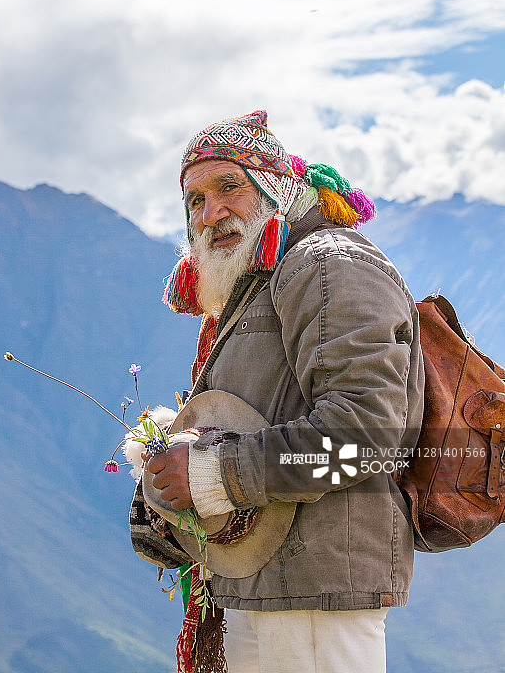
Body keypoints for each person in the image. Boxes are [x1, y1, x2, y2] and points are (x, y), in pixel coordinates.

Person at [136, 110, 424, 673]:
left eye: (229, 186)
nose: (211, 213)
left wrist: (211, 474)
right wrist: (176, 469)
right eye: (195, 200)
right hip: (271, 583)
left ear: (275, 185)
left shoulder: (327, 266)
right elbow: (261, 417)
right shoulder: (264, 281)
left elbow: (364, 434)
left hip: (315, 592)